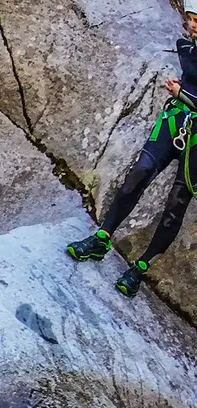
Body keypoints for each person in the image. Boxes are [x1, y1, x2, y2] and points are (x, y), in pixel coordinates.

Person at [65, 0, 197, 296]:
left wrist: (182, 93)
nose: (192, 25)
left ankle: (140, 268)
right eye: (190, 19)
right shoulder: (187, 48)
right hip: (176, 122)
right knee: (139, 173)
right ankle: (102, 238)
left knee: (175, 206)